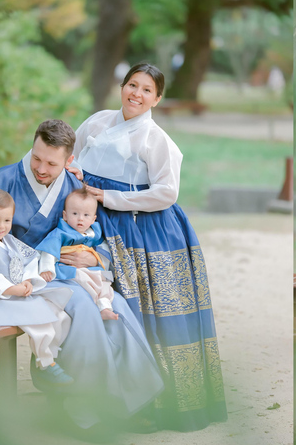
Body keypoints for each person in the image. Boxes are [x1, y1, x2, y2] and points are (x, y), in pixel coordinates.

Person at [0, 119, 164, 429]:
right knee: (81, 305)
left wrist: (92, 256)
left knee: (116, 305)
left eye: (51, 163)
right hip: (15, 277)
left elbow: (96, 234)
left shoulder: (71, 185)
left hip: (57, 271)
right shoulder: (4, 182)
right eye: (36, 157)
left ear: (69, 160)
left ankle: (132, 400)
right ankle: (84, 409)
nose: (41, 167)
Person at [72, 62, 226, 431]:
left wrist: (109, 197)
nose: (136, 94)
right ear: (121, 86)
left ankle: (157, 403)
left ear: (157, 98)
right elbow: (71, 160)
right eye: (131, 85)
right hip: (93, 221)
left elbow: (167, 193)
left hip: (142, 230)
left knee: (144, 312)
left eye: (145, 90)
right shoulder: (95, 123)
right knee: (98, 305)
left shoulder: (155, 140)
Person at [0, 189, 74, 387]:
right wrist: (12, 290)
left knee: (60, 314)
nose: (1, 226)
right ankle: (46, 365)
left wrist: (28, 281)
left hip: (15, 294)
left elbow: (30, 260)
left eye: (7, 221)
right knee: (39, 321)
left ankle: (51, 358)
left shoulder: (10, 241)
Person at [36, 186, 118, 321]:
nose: (80, 219)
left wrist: (98, 261)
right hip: (69, 269)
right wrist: (46, 268)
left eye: (86, 215)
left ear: (93, 219)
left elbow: (103, 249)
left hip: (90, 268)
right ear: (65, 215)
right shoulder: (61, 233)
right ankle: (94, 301)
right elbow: (49, 250)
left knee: (105, 283)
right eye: (75, 214)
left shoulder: (94, 233)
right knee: (84, 278)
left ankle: (104, 306)